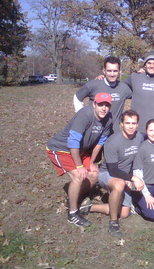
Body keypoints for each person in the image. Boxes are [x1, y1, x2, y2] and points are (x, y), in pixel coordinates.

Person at [47, 92, 113, 227]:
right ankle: (72, 213)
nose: (104, 108)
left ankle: (76, 199)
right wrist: (79, 166)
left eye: (107, 105)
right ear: (94, 104)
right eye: (100, 104)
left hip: (82, 151)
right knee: (78, 176)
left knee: (94, 174)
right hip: (62, 148)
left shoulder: (108, 119)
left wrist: (92, 162)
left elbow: (99, 143)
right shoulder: (85, 114)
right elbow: (73, 141)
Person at [89, 110, 145, 237]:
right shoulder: (112, 142)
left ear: (137, 125)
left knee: (124, 213)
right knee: (119, 184)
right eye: (127, 123)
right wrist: (132, 178)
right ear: (121, 124)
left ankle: (89, 207)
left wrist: (130, 178)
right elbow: (113, 170)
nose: (131, 126)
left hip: (125, 175)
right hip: (107, 174)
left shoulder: (139, 137)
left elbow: (136, 160)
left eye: (134, 123)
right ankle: (113, 223)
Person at [73, 56, 132, 132]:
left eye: (115, 71)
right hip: (93, 131)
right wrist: (82, 116)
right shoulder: (93, 84)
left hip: (113, 132)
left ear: (119, 71)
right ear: (104, 71)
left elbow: (140, 95)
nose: (112, 74)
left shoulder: (124, 88)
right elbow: (77, 97)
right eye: (109, 71)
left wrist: (143, 75)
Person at [124, 51, 154, 133]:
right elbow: (119, 87)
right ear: (145, 65)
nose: (151, 66)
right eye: (149, 63)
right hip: (136, 127)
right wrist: (103, 78)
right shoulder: (134, 78)